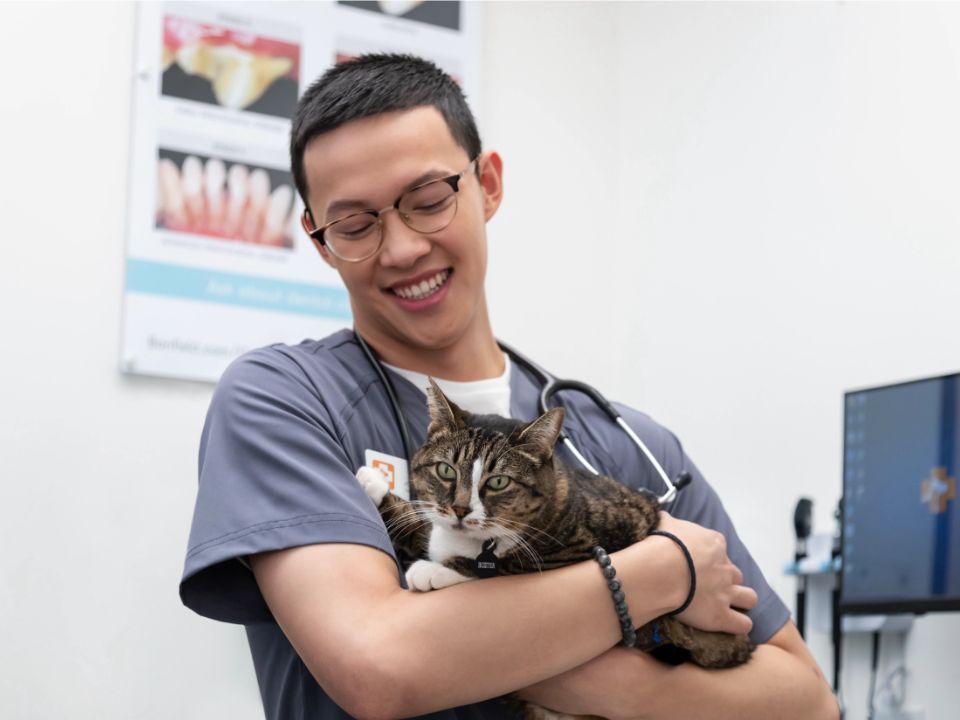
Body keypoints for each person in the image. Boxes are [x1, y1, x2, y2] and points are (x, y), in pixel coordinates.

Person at [180, 54, 838, 720]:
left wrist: (615, 687)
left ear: (487, 185)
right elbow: (381, 667)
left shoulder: (627, 446)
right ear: (320, 242)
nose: (402, 248)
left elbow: (807, 702)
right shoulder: (285, 401)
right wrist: (663, 572)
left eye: (430, 201)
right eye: (355, 225)